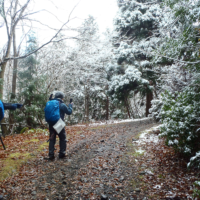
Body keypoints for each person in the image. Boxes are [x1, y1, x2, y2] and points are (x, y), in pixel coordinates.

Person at [47, 91, 73, 160]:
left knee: (52, 139)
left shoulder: (51, 102)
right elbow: (69, 112)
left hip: (51, 122)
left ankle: (51, 155)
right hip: (59, 123)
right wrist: (70, 106)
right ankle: (62, 154)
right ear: (62, 98)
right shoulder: (61, 104)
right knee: (62, 138)